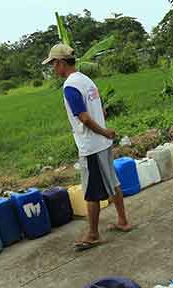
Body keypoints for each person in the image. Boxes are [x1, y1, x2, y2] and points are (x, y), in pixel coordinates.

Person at [43, 44, 132, 251]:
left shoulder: (70, 86)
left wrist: (102, 131)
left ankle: (93, 234)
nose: (52, 69)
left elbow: (83, 117)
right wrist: (104, 130)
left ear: (61, 63)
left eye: (53, 64)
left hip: (91, 145)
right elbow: (98, 108)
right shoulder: (86, 80)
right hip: (103, 143)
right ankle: (123, 221)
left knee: (92, 191)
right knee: (113, 181)